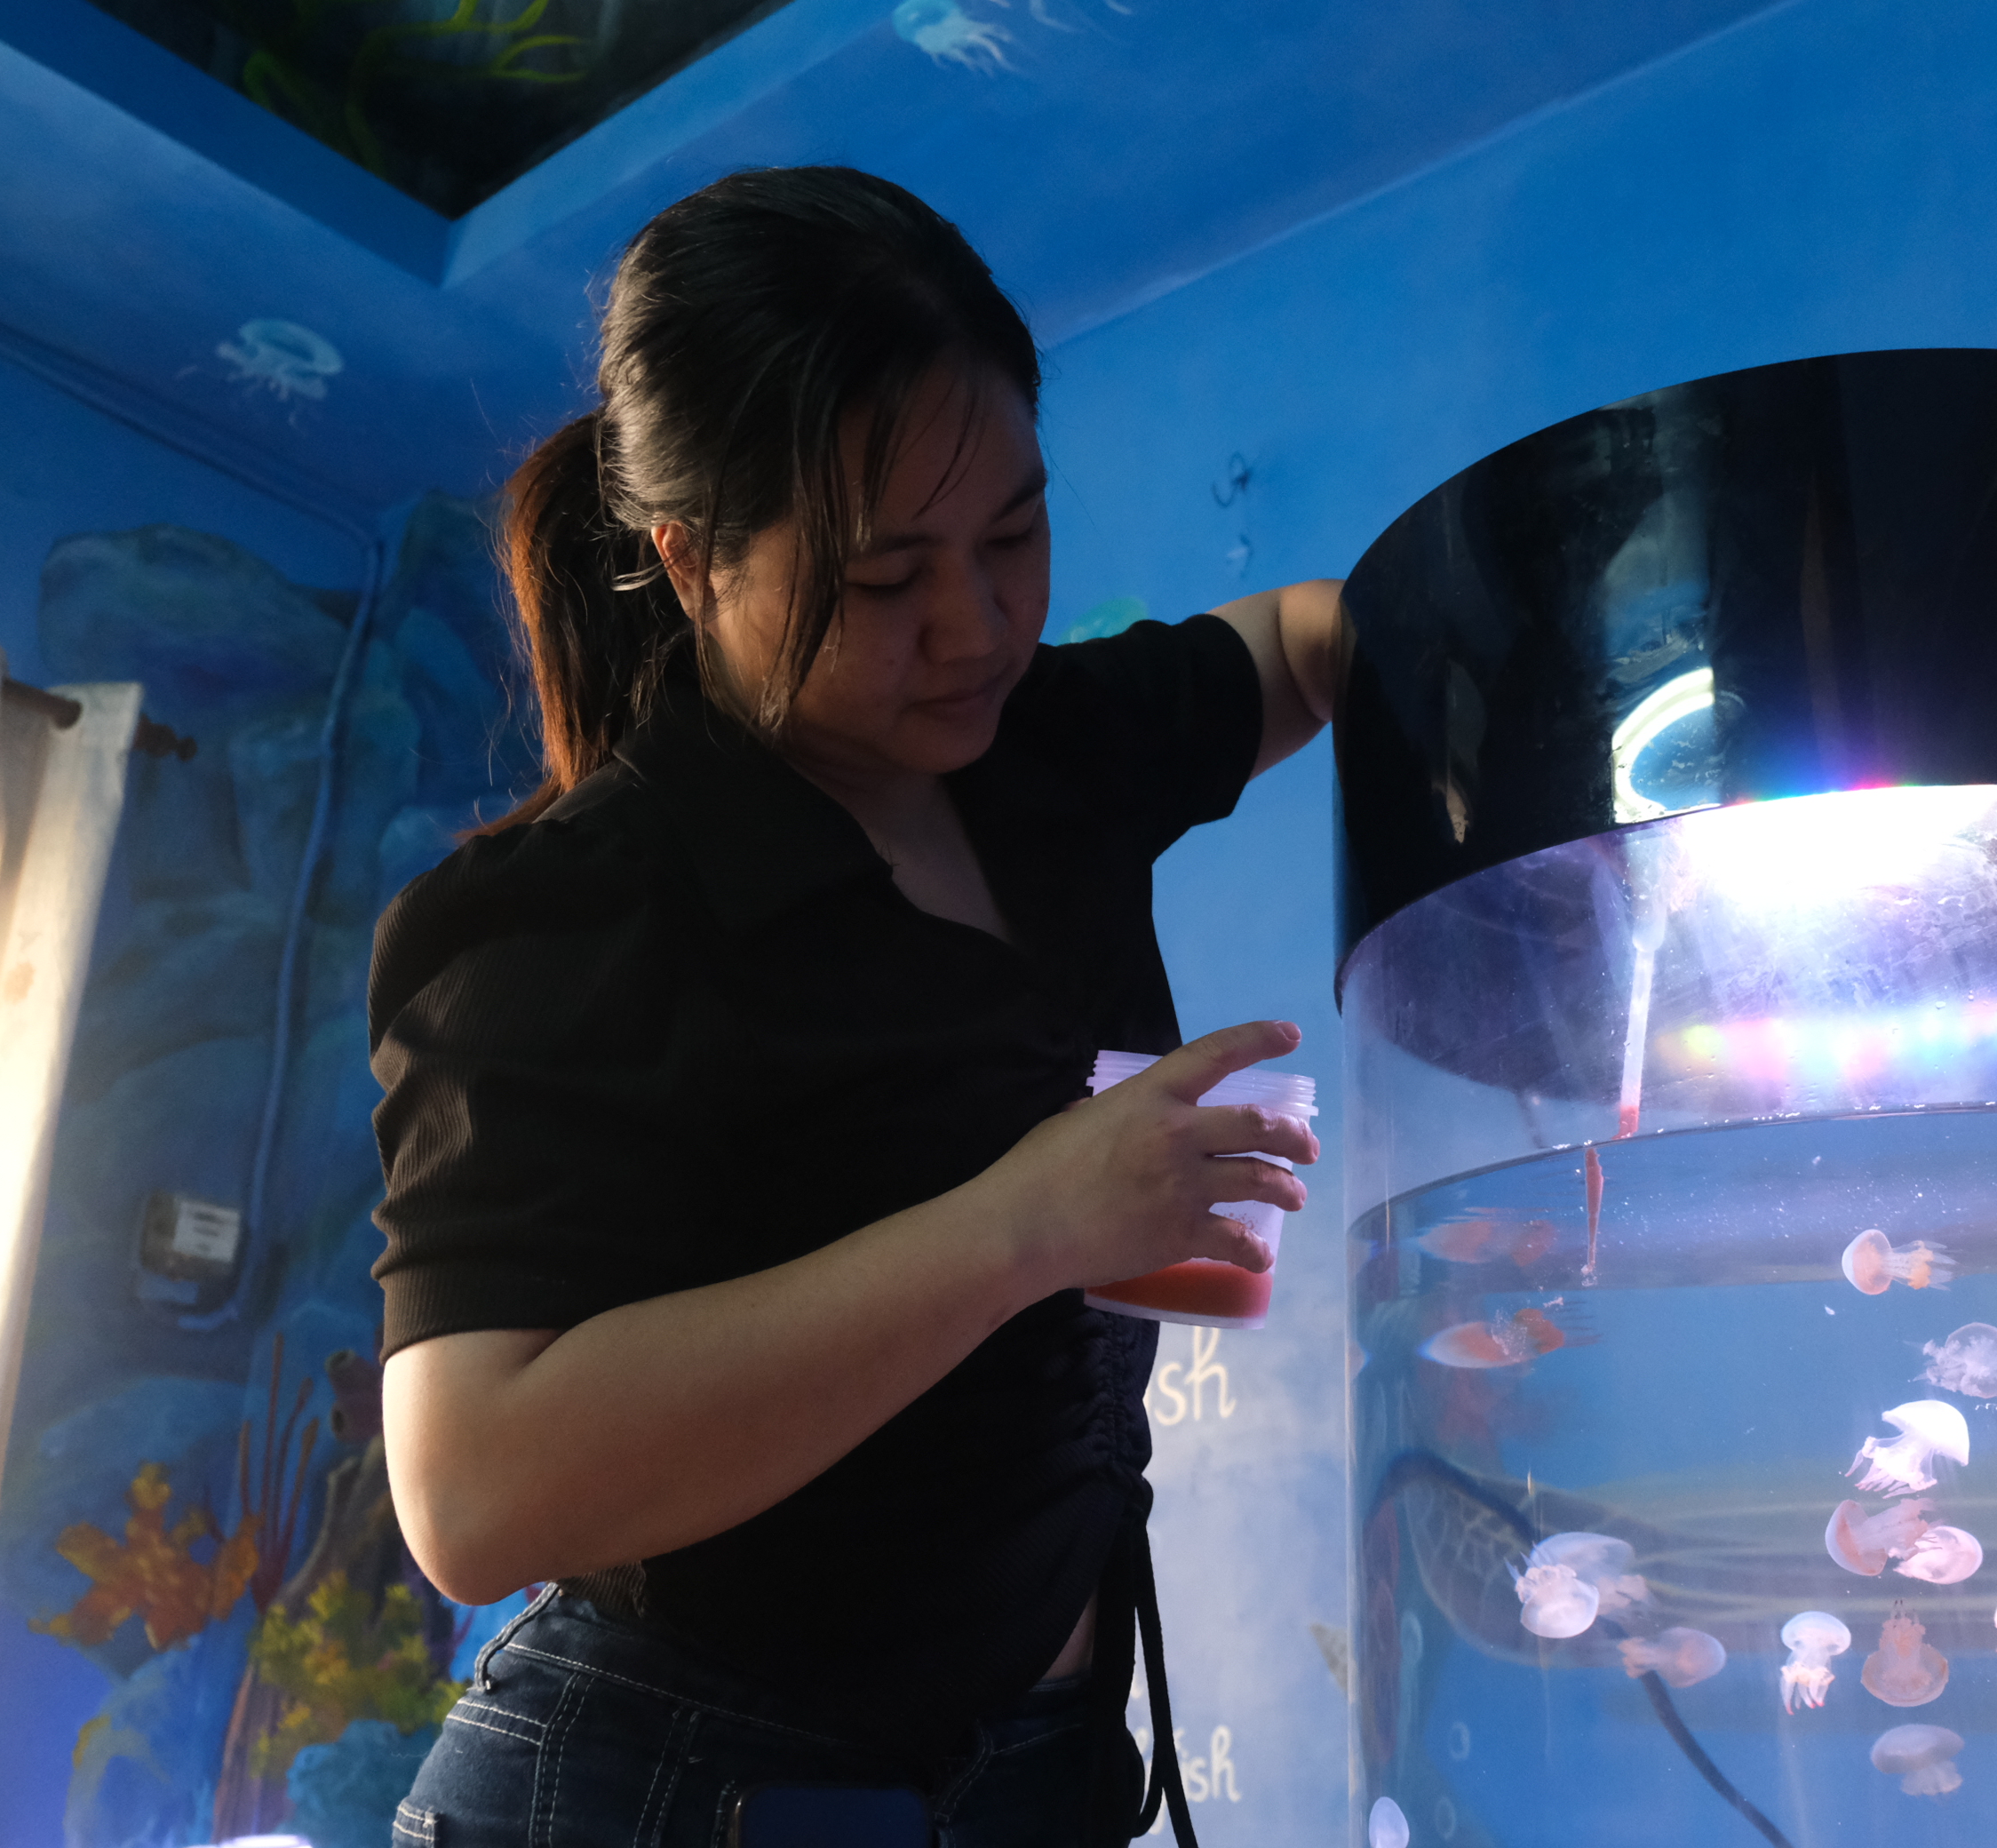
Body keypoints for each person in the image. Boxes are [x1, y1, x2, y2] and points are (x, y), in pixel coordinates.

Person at [367, 165, 1340, 1846]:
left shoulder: (1045, 749)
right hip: (673, 1790)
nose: (973, 626)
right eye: (886, 581)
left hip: (1025, 1776)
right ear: (687, 562)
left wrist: (1518, 621)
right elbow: (472, 1489)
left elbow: (1310, 644)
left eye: (1016, 534)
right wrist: (1024, 1227)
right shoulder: (563, 908)